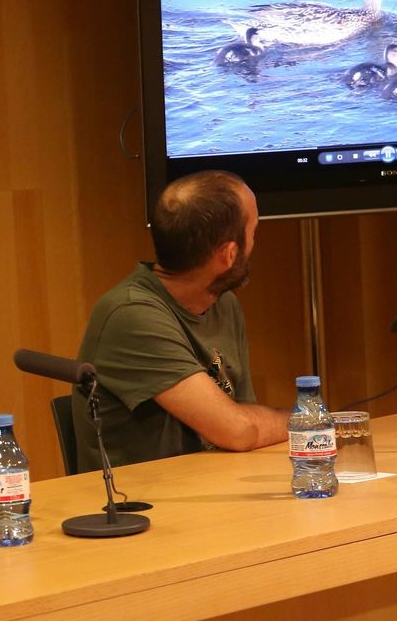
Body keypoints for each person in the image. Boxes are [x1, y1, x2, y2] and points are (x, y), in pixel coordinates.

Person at [72, 170, 287, 469]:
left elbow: (245, 414)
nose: (255, 243)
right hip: (141, 506)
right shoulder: (131, 315)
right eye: (253, 232)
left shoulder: (224, 304)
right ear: (228, 255)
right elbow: (239, 430)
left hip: (213, 487)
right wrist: (308, 419)